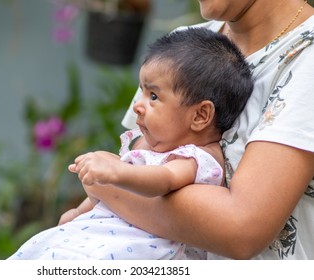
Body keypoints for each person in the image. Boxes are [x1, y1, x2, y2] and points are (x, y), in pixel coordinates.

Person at [61, 0, 314, 260]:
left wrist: (106, 186)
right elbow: (141, 159)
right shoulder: (182, 46)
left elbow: (240, 229)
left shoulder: (307, 60)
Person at [7, 27, 253, 260]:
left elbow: (163, 182)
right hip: (105, 236)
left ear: (200, 116)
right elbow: (108, 197)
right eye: (142, 91)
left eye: (153, 96)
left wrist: (117, 171)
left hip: (144, 251)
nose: (138, 104)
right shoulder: (149, 144)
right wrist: (80, 212)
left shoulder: (196, 158)